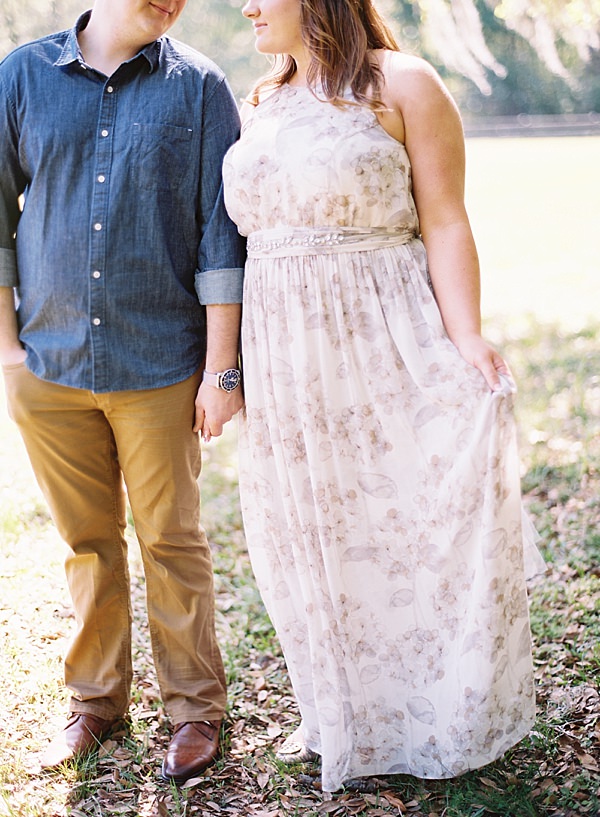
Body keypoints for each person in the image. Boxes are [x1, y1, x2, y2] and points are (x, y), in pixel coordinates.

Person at [222, 0, 545, 794]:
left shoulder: (402, 83)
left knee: (401, 518)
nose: (246, 5)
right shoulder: (260, 103)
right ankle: (345, 711)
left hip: (383, 331)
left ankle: (436, 709)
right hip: (283, 352)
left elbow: (446, 220)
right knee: (312, 529)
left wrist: (466, 336)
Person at [0, 0, 246, 783]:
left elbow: (221, 235)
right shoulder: (21, 77)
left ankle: (195, 708)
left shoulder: (200, 87)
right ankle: (96, 702)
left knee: (172, 538)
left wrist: (222, 370)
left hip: (161, 364)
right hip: (49, 365)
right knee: (86, 542)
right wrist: (7, 352)